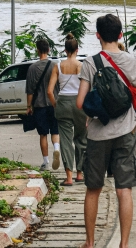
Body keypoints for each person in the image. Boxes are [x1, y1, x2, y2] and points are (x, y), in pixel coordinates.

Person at [76, 14, 136, 248]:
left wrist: (98, 111)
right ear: (120, 35)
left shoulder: (90, 63)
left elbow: (80, 103)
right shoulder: (133, 62)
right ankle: (124, 244)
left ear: (97, 35)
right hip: (126, 133)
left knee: (93, 189)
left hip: (98, 135)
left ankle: (90, 243)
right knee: (124, 190)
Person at [47, 33, 87, 186]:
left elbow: (50, 91)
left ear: (65, 50)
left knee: (65, 140)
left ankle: (69, 177)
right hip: (79, 103)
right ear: (77, 49)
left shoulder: (58, 66)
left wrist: (56, 104)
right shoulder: (81, 66)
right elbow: (86, 88)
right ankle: (80, 174)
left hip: (62, 102)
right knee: (81, 139)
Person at [26, 38, 60, 171]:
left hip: (39, 105)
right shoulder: (55, 66)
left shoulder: (32, 68)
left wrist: (29, 106)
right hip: (54, 103)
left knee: (43, 134)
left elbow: (29, 91)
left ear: (37, 50)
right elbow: (59, 85)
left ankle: (45, 162)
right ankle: (56, 149)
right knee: (55, 131)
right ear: (49, 50)